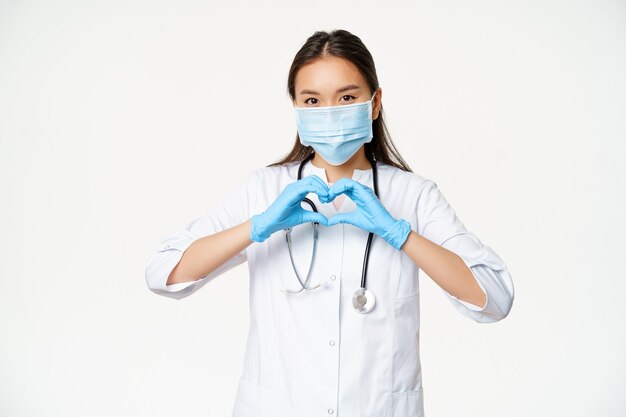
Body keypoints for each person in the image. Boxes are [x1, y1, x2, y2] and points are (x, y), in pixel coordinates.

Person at [144, 29, 514, 417]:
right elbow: (162, 272)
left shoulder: (414, 195)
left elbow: (495, 297)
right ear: (297, 108)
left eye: (347, 97)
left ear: (374, 103)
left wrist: (400, 234)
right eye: (312, 100)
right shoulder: (265, 188)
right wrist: (257, 227)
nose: (330, 112)